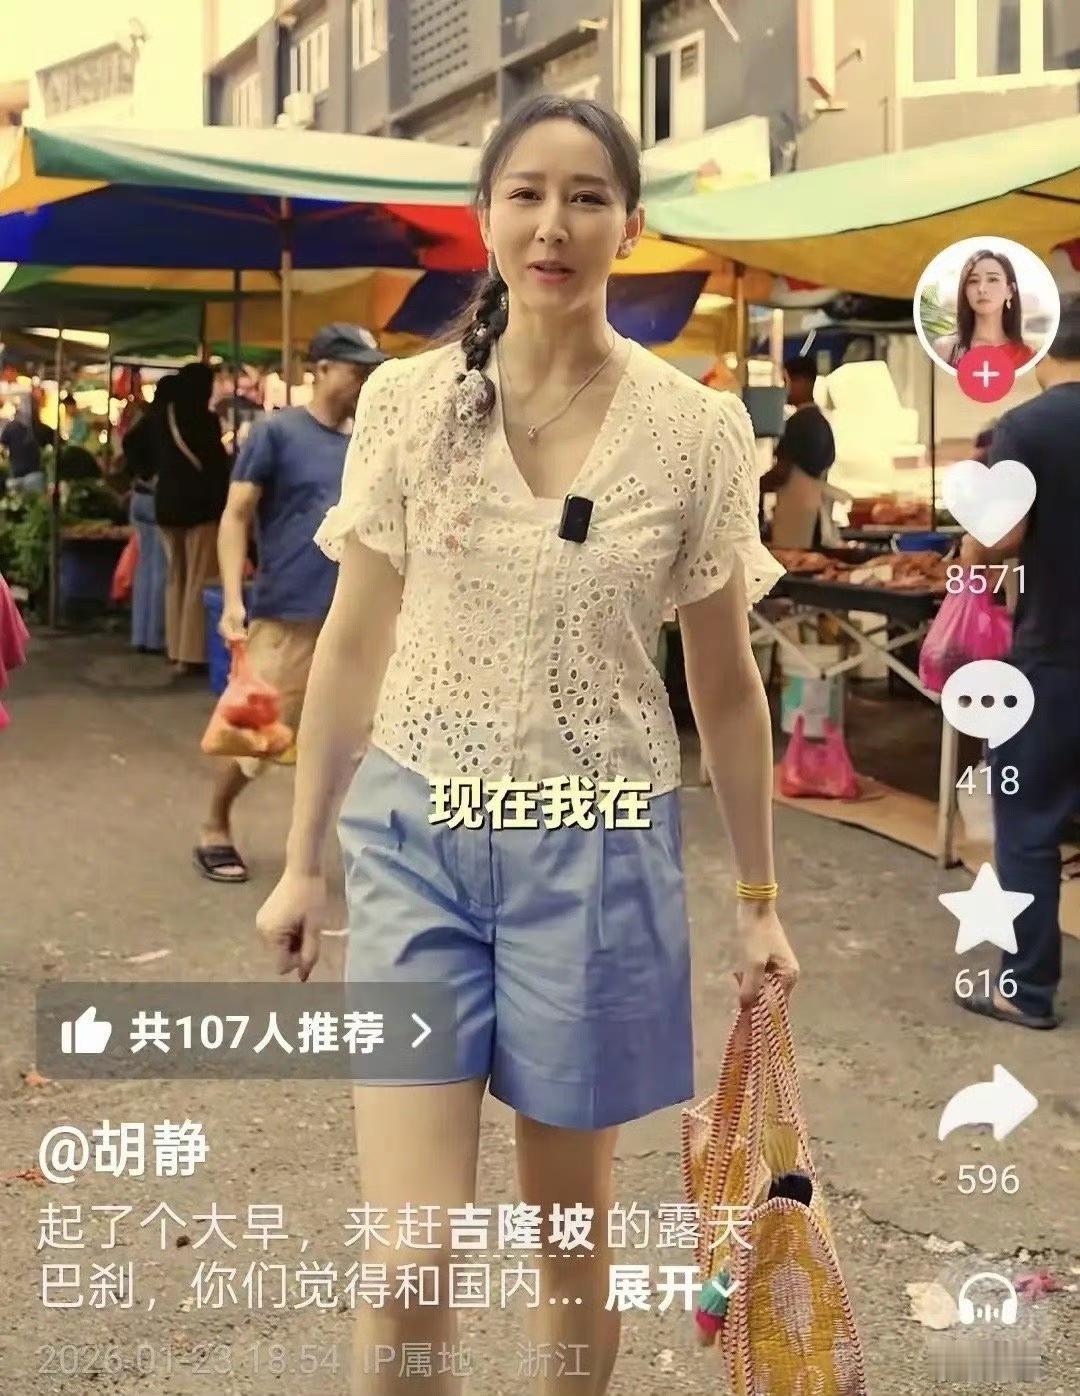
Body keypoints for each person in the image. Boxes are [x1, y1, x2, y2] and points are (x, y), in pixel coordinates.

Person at [254, 94, 799, 1395]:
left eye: (588, 197)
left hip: (594, 855)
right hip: (417, 844)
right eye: (528, 194)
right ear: (486, 218)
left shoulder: (697, 430)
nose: (555, 224)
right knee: (410, 1256)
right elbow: (353, 643)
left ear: (631, 225)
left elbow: (724, 686)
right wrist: (303, 860)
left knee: (570, 1247)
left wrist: (758, 897)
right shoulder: (406, 405)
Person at [193, 325, 389, 884]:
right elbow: (235, 516)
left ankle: (361, 853)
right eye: (355, 370)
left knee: (367, 741)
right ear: (321, 369)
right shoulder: (275, 433)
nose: (363, 382)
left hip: (356, 616)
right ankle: (214, 823)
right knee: (254, 733)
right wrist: (234, 599)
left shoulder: (367, 443)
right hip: (288, 611)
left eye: (368, 372)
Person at [955, 293, 1080, 1031]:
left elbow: (1000, 539)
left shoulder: (1027, 426)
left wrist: (972, 532)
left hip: (1055, 654)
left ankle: (1027, 990)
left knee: (1030, 826)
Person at [148, 363, 230, 674]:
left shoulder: (163, 415)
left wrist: (151, 474)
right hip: (199, 508)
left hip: (166, 506)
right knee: (199, 579)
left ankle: (174, 647)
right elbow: (217, 467)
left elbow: (133, 445)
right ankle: (192, 653)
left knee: (176, 578)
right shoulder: (204, 421)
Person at [760, 355, 836, 548]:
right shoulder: (822, 422)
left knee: (794, 560)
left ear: (803, 382)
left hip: (795, 517)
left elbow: (782, 472)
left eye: (786, 381)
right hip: (817, 517)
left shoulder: (799, 423)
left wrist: (754, 486)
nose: (784, 388)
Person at [120, 383, 170, 654]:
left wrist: (140, 472)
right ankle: (156, 638)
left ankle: (140, 635)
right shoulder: (167, 422)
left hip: (139, 497)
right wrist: (154, 474)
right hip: (156, 499)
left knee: (144, 567)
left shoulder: (145, 420)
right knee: (160, 569)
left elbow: (127, 442)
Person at [932, 249, 1034, 370]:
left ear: (1010, 290)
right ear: (965, 291)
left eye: (992, 279)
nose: (981, 288)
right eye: (973, 281)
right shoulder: (945, 350)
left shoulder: (1028, 356)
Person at [1, 392, 52, 494]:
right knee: (36, 503)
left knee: (16, 503)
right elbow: (55, 445)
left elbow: (2, 448)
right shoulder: (40, 428)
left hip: (16, 475)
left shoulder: (10, 427)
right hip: (35, 474)